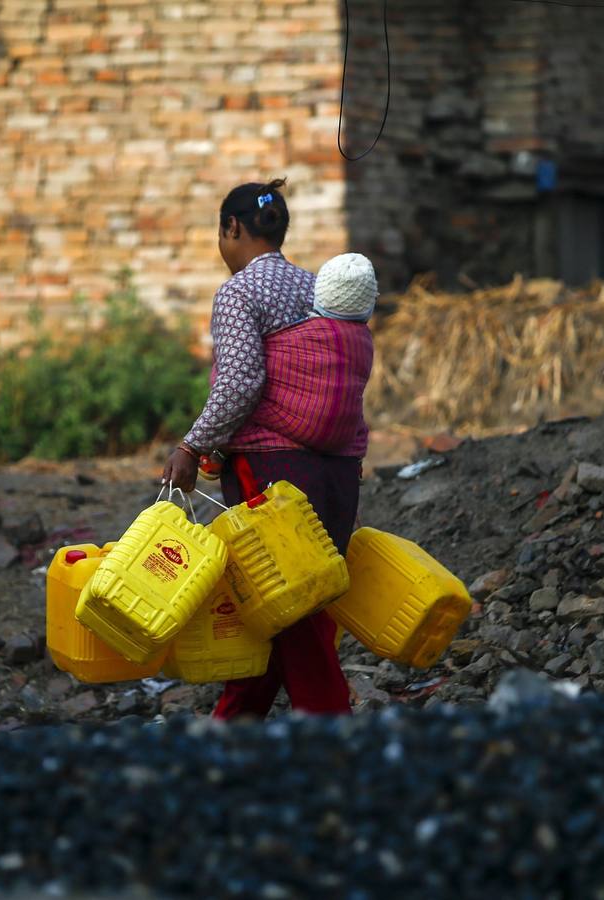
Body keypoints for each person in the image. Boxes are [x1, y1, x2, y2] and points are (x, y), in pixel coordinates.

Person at [161, 178, 376, 720]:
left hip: (274, 467)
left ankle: (335, 732)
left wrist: (192, 444)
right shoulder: (319, 289)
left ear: (232, 228)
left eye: (221, 232)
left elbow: (239, 381)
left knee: (286, 603)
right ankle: (234, 724)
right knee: (296, 597)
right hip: (338, 466)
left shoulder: (240, 291)